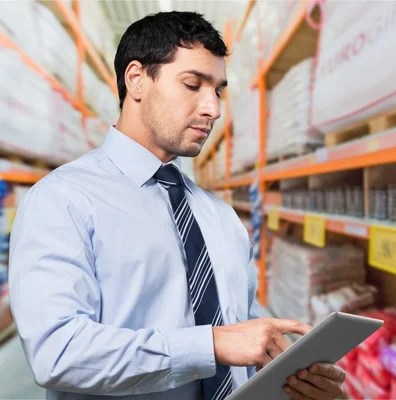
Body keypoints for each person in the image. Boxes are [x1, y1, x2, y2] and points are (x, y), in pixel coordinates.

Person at [8, 11, 346, 400]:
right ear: (136, 79)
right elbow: (57, 352)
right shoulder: (62, 200)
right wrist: (209, 346)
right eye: (193, 84)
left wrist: (294, 375)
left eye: (217, 90)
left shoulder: (220, 217)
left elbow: (240, 332)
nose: (213, 109)